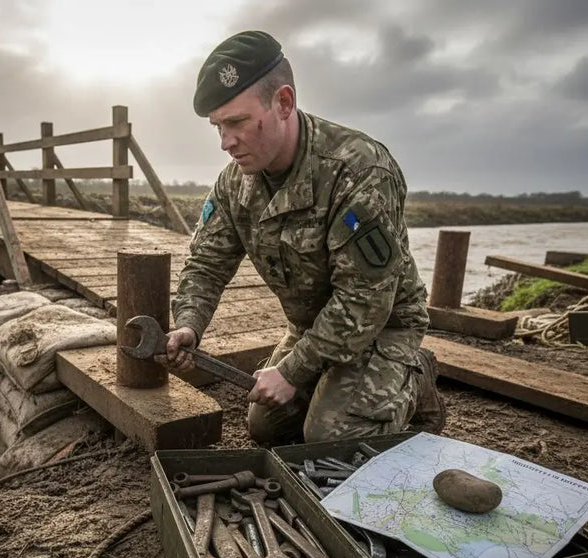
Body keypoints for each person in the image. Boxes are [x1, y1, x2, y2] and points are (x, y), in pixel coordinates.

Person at [163, 30, 445, 445]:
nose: (226, 143)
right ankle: (330, 378)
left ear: (284, 103)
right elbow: (207, 263)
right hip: (311, 327)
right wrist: (189, 324)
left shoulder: (359, 171)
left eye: (237, 122)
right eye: (217, 127)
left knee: (330, 437)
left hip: (383, 325)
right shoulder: (235, 183)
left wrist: (293, 371)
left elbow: (365, 301)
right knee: (265, 428)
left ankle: (414, 374)